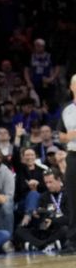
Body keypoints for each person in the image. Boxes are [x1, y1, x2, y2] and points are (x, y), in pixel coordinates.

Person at [15, 169, 69, 253]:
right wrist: (38, 216)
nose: (48, 185)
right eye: (46, 183)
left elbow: (70, 218)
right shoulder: (44, 196)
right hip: (46, 231)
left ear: (58, 180)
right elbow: (43, 219)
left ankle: (36, 246)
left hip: (60, 228)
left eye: (50, 182)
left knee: (66, 230)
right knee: (19, 230)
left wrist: (53, 220)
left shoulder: (68, 194)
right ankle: (45, 245)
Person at [57, 74, 76, 232]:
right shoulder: (66, 108)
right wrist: (67, 136)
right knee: (72, 196)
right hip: (73, 155)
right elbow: (61, 135)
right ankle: (73, 238)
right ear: (71, 87)